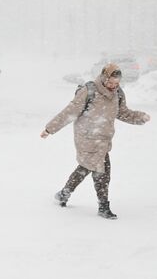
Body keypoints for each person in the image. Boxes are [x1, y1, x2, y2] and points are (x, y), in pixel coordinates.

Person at [40, 63, 151, 220]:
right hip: (86, 138)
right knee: (102, 171)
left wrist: (139, 117)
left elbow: (123, 113)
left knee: (86, 168)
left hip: (103, 139)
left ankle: (64, 194)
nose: (113, 86)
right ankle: (103, 206)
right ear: (104, 78)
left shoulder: (118, 94)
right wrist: (50, 129)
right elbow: (69, 112)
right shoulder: (89, 91)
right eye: (110, 82)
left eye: (116, 83)